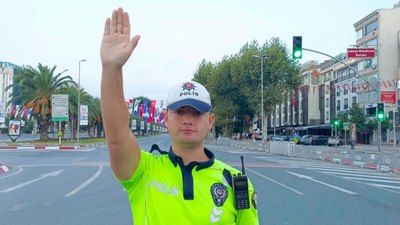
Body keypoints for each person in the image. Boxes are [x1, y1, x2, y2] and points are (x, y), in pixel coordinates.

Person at [100, 8, 259, 225]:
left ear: (210, 121)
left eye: (196, 113)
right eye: (179, 112)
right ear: (166, 118)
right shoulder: (143, 170)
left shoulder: (234, 182)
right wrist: (111, 68)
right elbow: (117, 135)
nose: (187, 119)